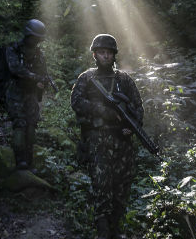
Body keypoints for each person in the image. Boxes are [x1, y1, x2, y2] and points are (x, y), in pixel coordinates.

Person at [70, 34, 144, 239]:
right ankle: (103, 232)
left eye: (109, 53)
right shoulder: (86, 78)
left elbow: (138, 107)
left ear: (114, 55)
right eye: (102, 52)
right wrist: (103, 111)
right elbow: (76, 102)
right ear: (94, 54)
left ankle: (116, 229)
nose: (106, 56)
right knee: (102, 187)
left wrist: (133, 126)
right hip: (97, 141)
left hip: (122, 142)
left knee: (122, 186)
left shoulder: (124, 79)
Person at [5, 19, 48, 170]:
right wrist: (35, 77)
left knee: (31, 127)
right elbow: (15, 68)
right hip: (16, 92)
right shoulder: (14, 49)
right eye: (34, 37)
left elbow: (43, 73)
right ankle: (19, 161)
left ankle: (29, 161)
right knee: (19, 124)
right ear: (27, 35)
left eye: (38, 38)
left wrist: (42, 83)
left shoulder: (39, 54)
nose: (36, 41)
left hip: (30, 94)